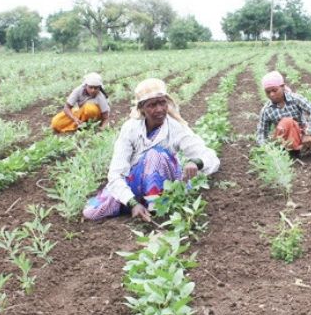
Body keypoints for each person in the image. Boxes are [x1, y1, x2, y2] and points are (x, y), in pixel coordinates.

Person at [83, 78, 220, 221]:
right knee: (91, 213)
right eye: (152, 105)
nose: (160, 109)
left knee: (155, 155)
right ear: (141, 108)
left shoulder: (175, 127)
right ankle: (138, 204)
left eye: (162, 102)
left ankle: (158, 208)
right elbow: (116, 172)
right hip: (136, 182)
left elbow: (210, 156)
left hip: (166, 184)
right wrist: (132, 203)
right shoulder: (130, 128)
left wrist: (196, 162)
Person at [255, 71, 311, 157]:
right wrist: (266, 149)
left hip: (304, 133)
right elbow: (261, 133)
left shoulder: (295, 98)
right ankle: (293, 153)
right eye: (268, 92)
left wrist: (309, 132)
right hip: (286, 139)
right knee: (287, 122)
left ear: (283, 87)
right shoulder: (267, 110)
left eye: (274, 90)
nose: (272, 94)